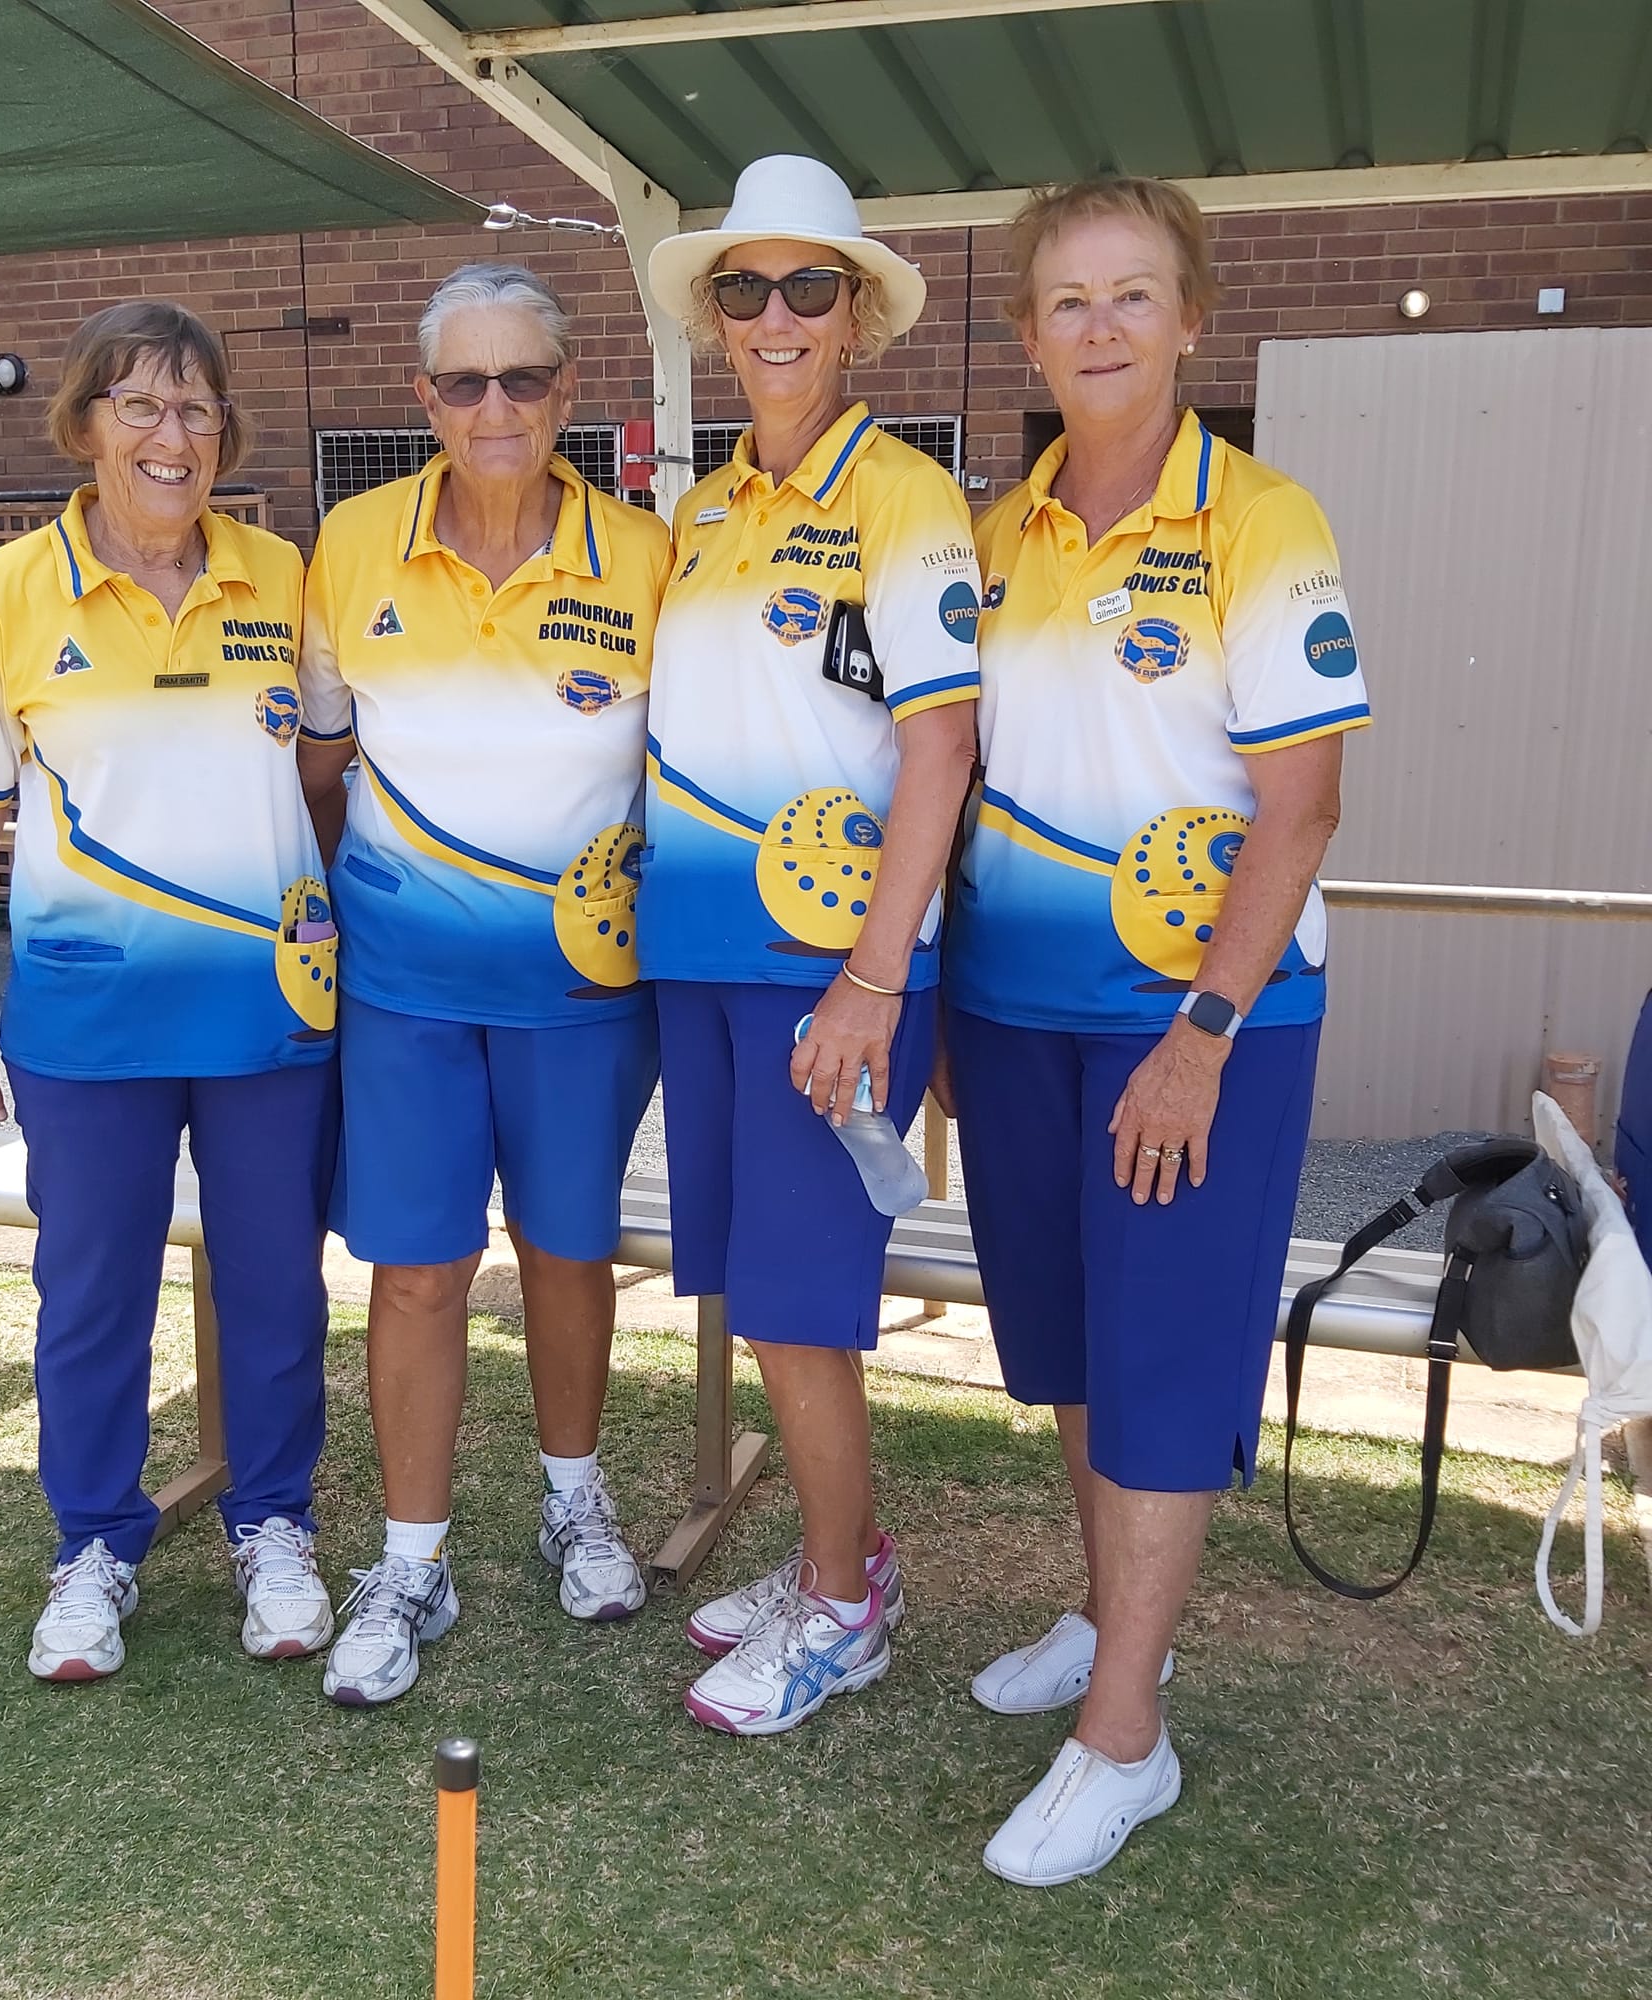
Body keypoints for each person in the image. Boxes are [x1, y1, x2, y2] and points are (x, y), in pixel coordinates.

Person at [942, 177, 1371, 1883]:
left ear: (1193, 320)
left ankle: (1127, 1735)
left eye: (1133, 298)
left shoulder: (1264, 522)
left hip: (1199, 1026)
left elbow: (1305, 809)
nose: (1100, 330)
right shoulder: (999, 527)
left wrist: (1199, 1033)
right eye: (1067, 303)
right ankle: (1122, 1622)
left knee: (1168, 1369)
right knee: (1065, 1351)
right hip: (1016, 1007)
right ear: (1029, 333)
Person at [0, 301, 341, 1683]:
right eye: (142, 406)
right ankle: (93, 1543)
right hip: (88, 1025)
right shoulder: (2, 594)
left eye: (199, 409)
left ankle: (274, 1523)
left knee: (277, 1282)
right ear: (84, 425)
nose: (173, 434)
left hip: (271, 1013)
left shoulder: (287, 574)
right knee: (90, 1293)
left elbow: (323, 771)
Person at [638, 156, 982, 1734]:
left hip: (827, 978)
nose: (775, 317)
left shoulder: (904, 500)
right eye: (746, 288)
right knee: (753, 1287)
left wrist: (872, 977)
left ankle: (844, 1606)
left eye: (809, 288)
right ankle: (844, 1558)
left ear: (856, 321)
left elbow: (942, 753)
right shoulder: (700, 511)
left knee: (802, 1294)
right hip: (702, 961)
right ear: (716, 320)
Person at [299, 263, 672, 1707]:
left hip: (588, 993)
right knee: (417, 1269)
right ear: (425, 400)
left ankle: (576, 1495)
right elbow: (322, 769)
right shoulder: (348, 547)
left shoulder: (646, 557)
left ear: (570, 393)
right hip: (404, 988)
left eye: (524, 378)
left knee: (571, 1250)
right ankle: (411, 1555)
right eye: (465, 381)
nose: (495, 406)